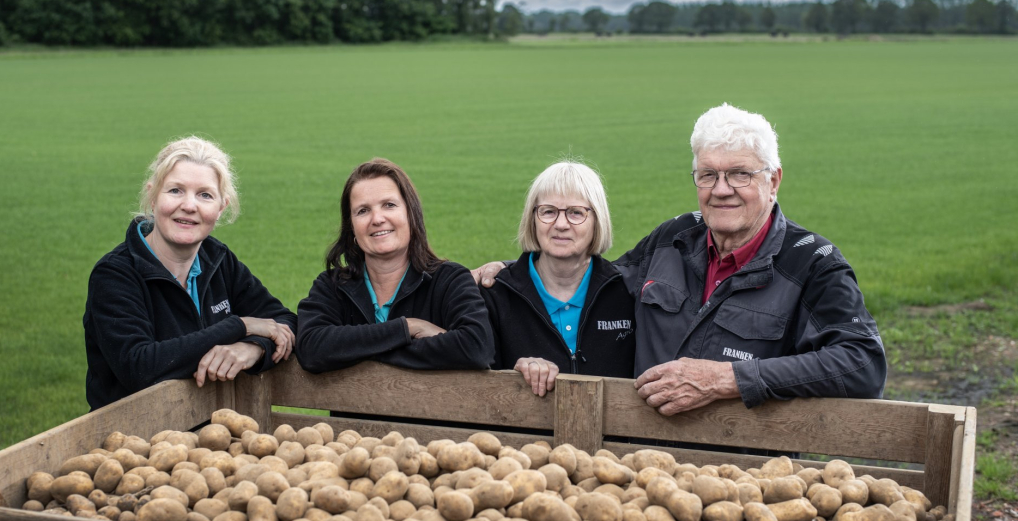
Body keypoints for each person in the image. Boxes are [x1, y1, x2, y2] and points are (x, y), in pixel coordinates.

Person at [477, 103, 886, 414]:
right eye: (707, 175)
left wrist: (728, 379)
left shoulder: (811, 263)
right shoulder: (672, 240)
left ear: (773, 179)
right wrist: (512, 276)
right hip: (641, 468)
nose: (721, 189)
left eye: (739, 174)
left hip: (746, 473)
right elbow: (595, 281)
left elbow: (863, 364)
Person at [84, 137, 296, 410]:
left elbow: (286, 321)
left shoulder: (217, 259)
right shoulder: (115, 274)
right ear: (152, 196)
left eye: (205, 195)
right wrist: (240, 326)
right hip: (134, 444)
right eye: (175, 190)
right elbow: (139, 367)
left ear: (221, 207)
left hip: (209, 437)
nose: (189, 205)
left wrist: (252, 348)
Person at [295, 158, 492, 374]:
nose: (377, 219)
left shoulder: (450, 280)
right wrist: (408, 328)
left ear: (410, 214)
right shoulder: (332, 287)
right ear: (351, 228)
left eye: (389, 205)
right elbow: (311, 348)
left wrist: (356, 349)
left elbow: (476, 347)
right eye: (363, 211)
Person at [480, 161, 635, 396]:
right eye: (549, 211)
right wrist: (512, 376)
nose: (561, 225)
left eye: (576, 213)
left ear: (598, 220)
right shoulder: (495, 295)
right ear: (532, 218)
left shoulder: (628, 292)